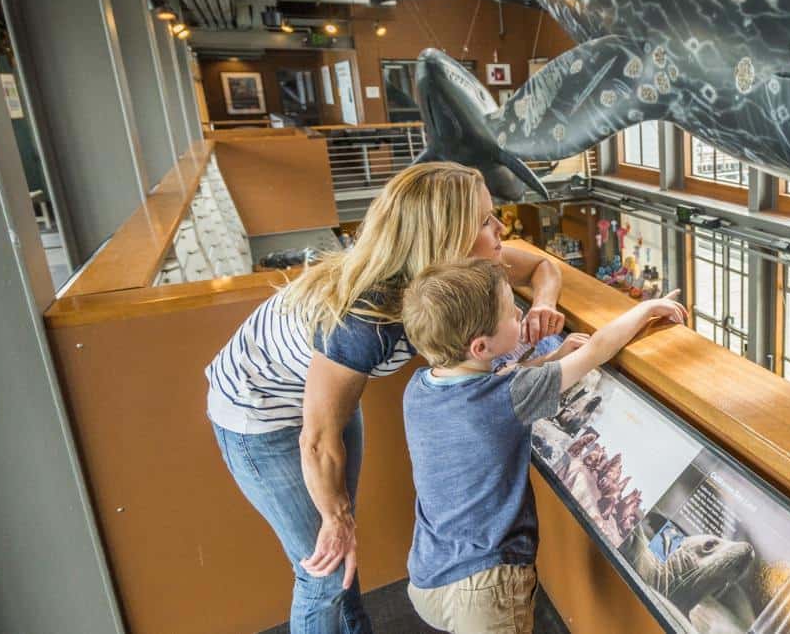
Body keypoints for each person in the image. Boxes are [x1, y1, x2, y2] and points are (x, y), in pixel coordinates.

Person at [205, 162, 564, 634]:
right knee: (325, 567)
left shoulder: (450, 279)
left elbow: (542, 265)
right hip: (260, 415)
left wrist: (543, 305)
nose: (499, 228)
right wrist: (334, 517)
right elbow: (317, 439)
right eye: (483, 220)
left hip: (323, 404)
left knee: (344, 556)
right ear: (444, 236)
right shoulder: (365, 318)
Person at [398, 257, 686, 634]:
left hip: (428, 573)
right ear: (481, 346)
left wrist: (552, 359)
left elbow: (496, 381)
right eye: (510, 313)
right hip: (487, 589)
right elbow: (598, 349)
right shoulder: (507, 396)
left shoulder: (419, 389)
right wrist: (646, 308)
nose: (520, 313)